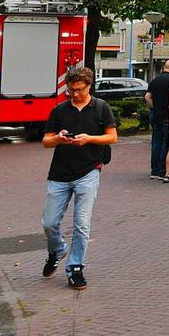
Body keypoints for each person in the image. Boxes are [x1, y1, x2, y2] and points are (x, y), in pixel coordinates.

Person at [40, 66, 117, 290]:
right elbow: (46, 141)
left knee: (81, 224)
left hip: (88, 172)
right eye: (71, 90)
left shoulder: (101, 108)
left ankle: (75, 267)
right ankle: (57, 250)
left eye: (80, 90)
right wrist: (58, 138)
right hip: (60, 174)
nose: (75, 94)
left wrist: (89, 139)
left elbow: (112, 137)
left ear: (89, 86)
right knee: (49, 222)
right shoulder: (59, 110)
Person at [144, 61, 169, 180]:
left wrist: (154, 107)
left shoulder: (155, 80)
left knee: (156, 142)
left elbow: (147, 97)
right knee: (167, 143)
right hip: (167, 116)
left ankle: (154, 170)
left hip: (155, 115)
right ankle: (164, 170)